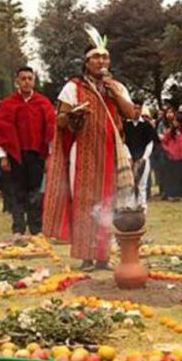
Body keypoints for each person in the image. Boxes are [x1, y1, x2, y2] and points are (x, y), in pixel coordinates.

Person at [43, 24, 135, 272]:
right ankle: (86, 256)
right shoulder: (73, 87)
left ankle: (104, 256)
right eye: (96, 56)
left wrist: (114, 90)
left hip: (111, 152)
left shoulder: (117, 86)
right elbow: (60, 120)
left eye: (105, 56)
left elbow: (130, 113)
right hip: (83, 152)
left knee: (109, 202)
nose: (101, 60)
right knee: (85, 201)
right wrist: (73, 114)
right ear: (86, 62)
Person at [0, 66, 56, 235]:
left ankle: (36, 227)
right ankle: (18, 227)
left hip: (37, 154)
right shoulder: (7, 104)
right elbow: (0, 132)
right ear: (17, 81)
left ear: (34, 80)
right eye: (23, 78)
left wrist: (49, 156)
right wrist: (3, 156)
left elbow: (51, 131)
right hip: (15, 154)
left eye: (30, 78)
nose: (27, 82)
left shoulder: (44, 103)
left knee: (35, 191)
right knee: (16, 190)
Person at [123, 102, 157, 209]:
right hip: (129, 158)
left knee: (142, 184)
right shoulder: (126, 125)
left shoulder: (146, 125)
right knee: (129, 183)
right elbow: (123, 142)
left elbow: (150, 143)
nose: (136, 111)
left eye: (138, 108)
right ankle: (129, 204)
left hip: (143, 158)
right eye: (134, 108)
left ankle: (142, 205)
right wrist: (128, 157)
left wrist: (144, 158)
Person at [161, 117, 182, 201]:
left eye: (176, 121)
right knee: (173, 177)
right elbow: (163, 142)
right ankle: (172, 195)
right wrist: (168, 150)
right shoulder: (169, 132)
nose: (175, 123)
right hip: (172, 157)